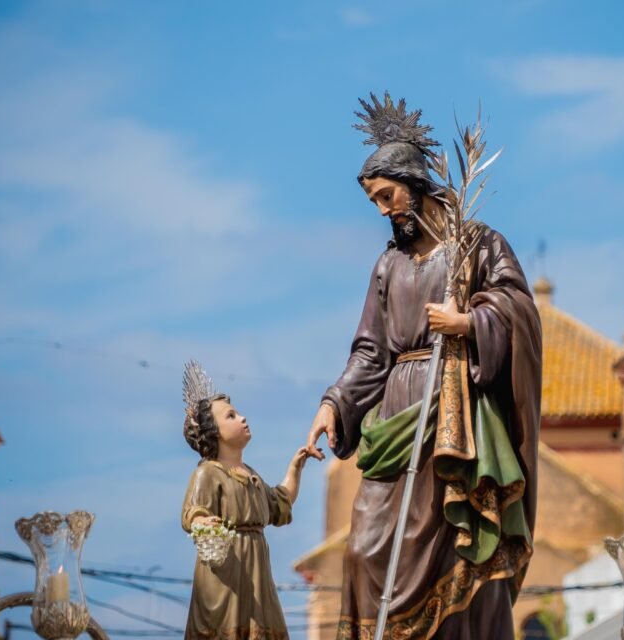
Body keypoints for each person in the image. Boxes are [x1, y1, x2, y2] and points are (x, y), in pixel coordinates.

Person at [304, 93, 543, 639]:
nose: (384, 210)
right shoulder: (388, 265)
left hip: (455, 410)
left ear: (414, 184)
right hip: (398, 410)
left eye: (387, 196)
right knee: (364, 549)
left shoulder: (476, 246)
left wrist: (470, 323)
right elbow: (369, 351)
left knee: (457, 551)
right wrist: (333, 403)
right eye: (375, 203)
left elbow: (520, 310)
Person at [182, 365, 311, 640]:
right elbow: (193, 511)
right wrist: (202, 521)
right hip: (225, 574)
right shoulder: (208, 472)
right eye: (231, 416)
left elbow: (279, 502)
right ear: (214, 431)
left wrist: (295, 468)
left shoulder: (251, 475)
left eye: (238, 413)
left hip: (257, 575)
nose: (242, 418)